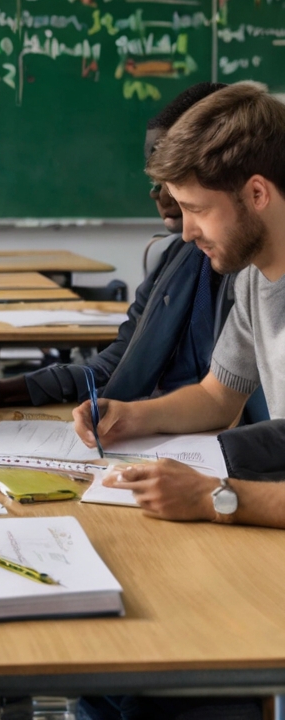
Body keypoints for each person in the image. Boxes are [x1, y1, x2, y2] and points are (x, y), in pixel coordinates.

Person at [73, 82, 285, 527]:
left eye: (198, 209)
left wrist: (215, 498)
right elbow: (218, 397)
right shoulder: (252, 277)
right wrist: (130, 417)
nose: (186, 232)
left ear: (257, 194)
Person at [0, 82, 233, 408]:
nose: (161, 196)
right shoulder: (174, 259)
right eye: (155, 182)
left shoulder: (260, 272)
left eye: (174, 179)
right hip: (156, 437)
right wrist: (8, 391)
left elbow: (231, 409)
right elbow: (118, 364)